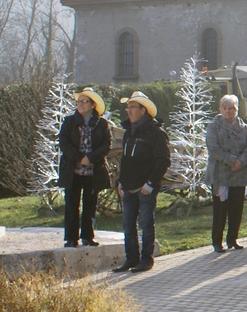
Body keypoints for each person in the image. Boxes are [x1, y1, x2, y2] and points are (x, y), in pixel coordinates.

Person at [112, 92, 171, 273]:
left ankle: (146, 259)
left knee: (146, 224)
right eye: (127, 107)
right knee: (128, 225)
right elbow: (125, 160)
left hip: (145, 187)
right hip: (128, 186)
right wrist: (121, 182)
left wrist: (151, 183)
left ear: (143, 110)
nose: (128, 111)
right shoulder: (128, 132)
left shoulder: (156, 133)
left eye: (132, 107)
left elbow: (163, 160)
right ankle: (131, 259)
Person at [58, 88, 111, 248]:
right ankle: (71, 238)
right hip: (72, 170)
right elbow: (63, 142)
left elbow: (106, 145)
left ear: (93, 105)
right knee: (71, 204)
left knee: (90, 204)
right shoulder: (69, 121)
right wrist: (79, 157)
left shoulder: (102, 124)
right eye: (78, 101)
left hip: (92, 171)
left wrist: (90, 158)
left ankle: (88, 236)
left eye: (84, 102)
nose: (80, 105)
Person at [204, 94, 247, 253]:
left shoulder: (243, 127)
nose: (228, 111)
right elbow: (213, 148)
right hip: (221, 174)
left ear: (236, 109)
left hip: (240, 173)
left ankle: (232, 239)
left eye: (231, 108)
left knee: (236, 208)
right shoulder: (214, 126)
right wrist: (232, 161)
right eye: (225, 108)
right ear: (220, 109)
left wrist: (241, 162)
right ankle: (217, 241)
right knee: (220, 209)